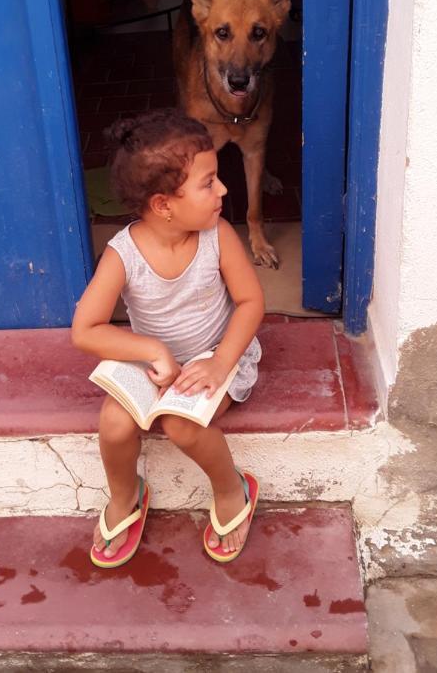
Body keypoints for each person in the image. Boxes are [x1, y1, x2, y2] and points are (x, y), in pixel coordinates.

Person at [72, 108, 265, 568]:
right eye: (209, 182)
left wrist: (220, 363)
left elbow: (251, 302)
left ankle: (231, 489)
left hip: (217, 356)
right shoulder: (123, 253)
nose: (222, 189)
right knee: (115, 424)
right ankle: (125, 497)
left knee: (180, 424)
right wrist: (151, 349)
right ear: (164, 204)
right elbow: (85, 330)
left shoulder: (217, 235)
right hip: (153, 365)